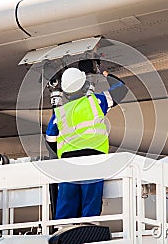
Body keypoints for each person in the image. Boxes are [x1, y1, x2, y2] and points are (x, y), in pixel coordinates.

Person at [45, 62, 127, 219]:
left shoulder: (60, 112)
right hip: (93, 159)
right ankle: (88, 231)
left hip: (69, 162)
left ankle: (64, 232)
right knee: (91, 201)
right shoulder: (96, 102)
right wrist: (105, 75)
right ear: (83, 84)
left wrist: (63, 153)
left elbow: (50, 139)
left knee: (67, 202)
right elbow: (121, 89)